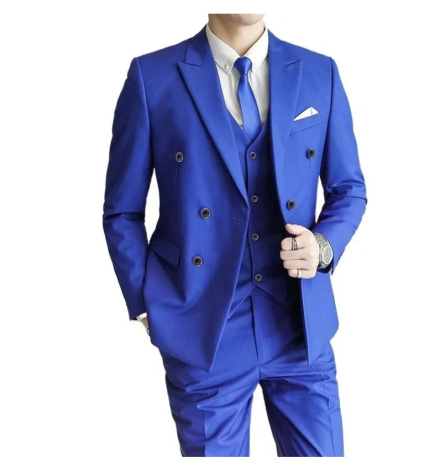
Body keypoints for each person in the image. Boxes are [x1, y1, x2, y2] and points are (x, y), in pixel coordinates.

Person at [102, 13, 367, 457]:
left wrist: (323, 246)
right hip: (203, 332)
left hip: (301, 327)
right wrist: (146, 302)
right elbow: (122, 211)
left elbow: (349, 189)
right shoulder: (152, 76)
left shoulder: (319, 71)